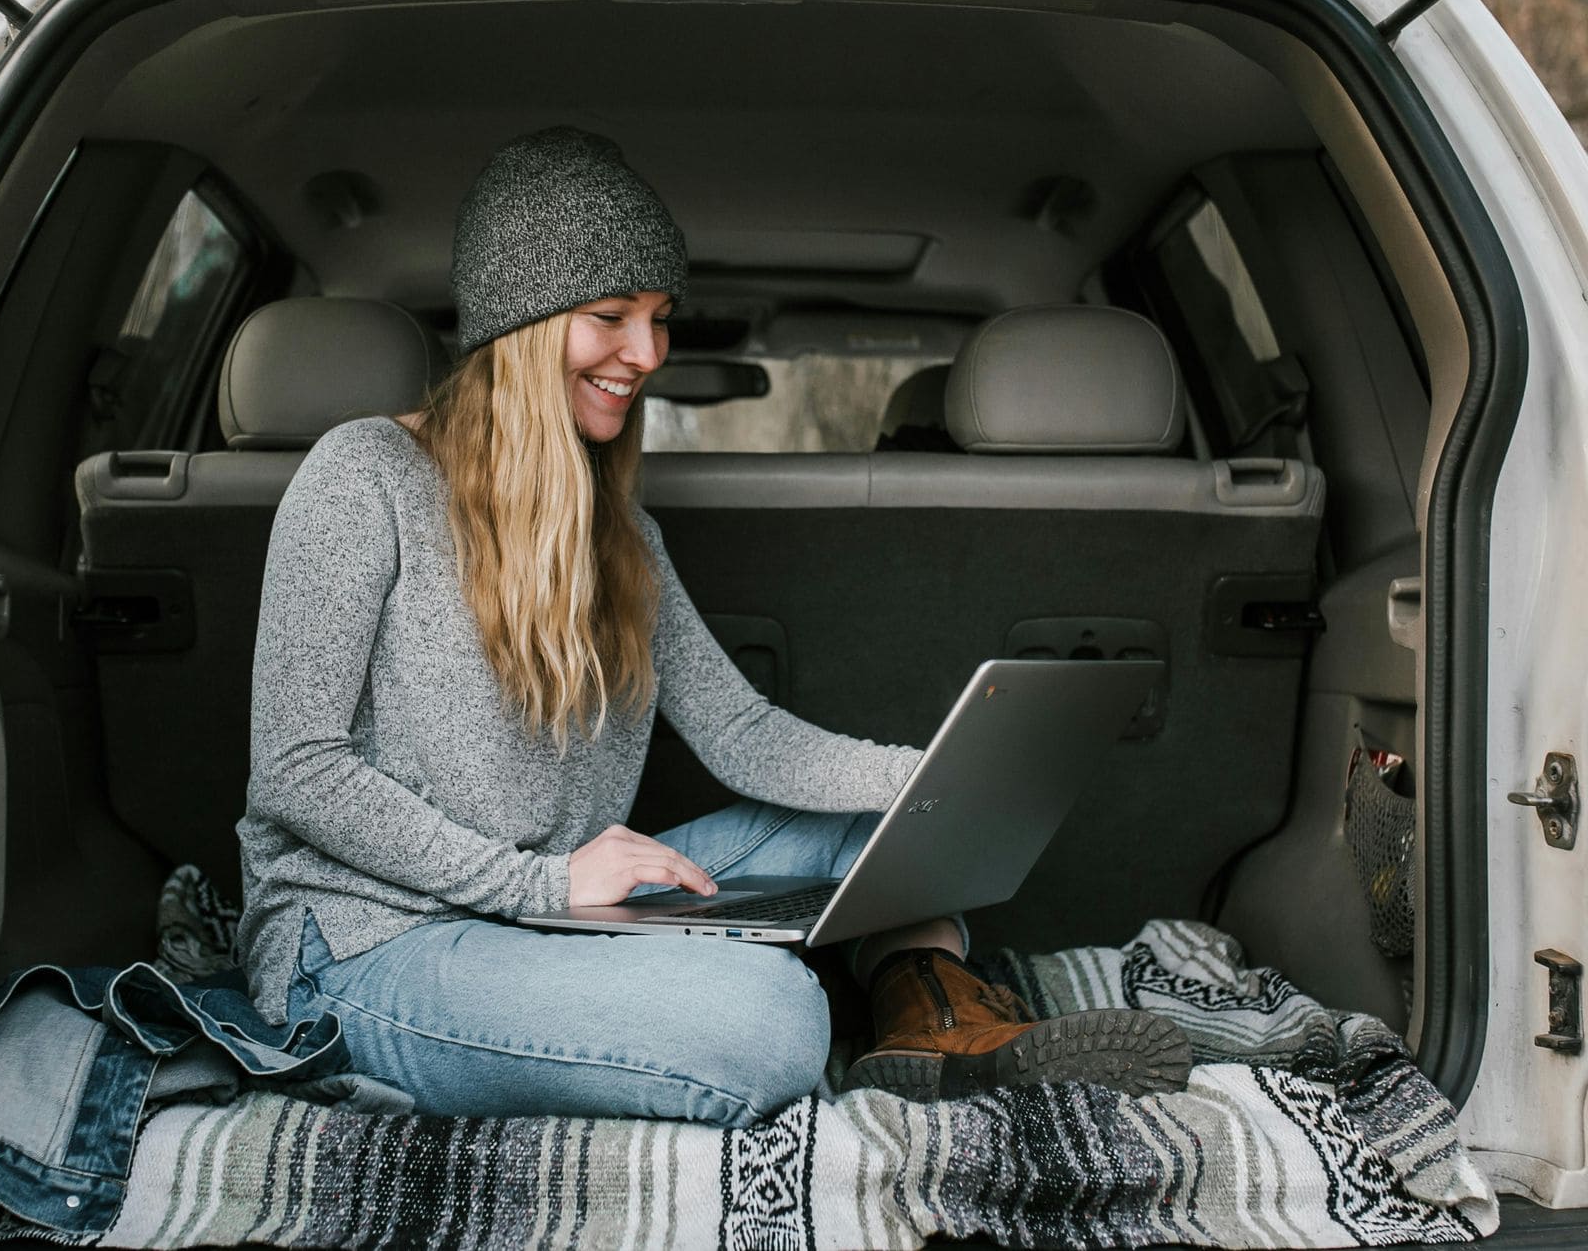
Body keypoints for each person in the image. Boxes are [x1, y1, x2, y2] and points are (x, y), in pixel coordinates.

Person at [232, 126, 1189, 1126]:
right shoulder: (361, 477)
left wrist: (922, 779)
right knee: (771, 1024)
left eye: (656, 318)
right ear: (518, 323)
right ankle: (835, 1006)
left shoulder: (620, 533)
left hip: (556, 908)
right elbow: (296, 769)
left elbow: (742, 732)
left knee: (890, 834)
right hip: (369, 943)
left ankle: (930, 1020)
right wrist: (538, 883)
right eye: (609, 316)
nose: (645, 354)